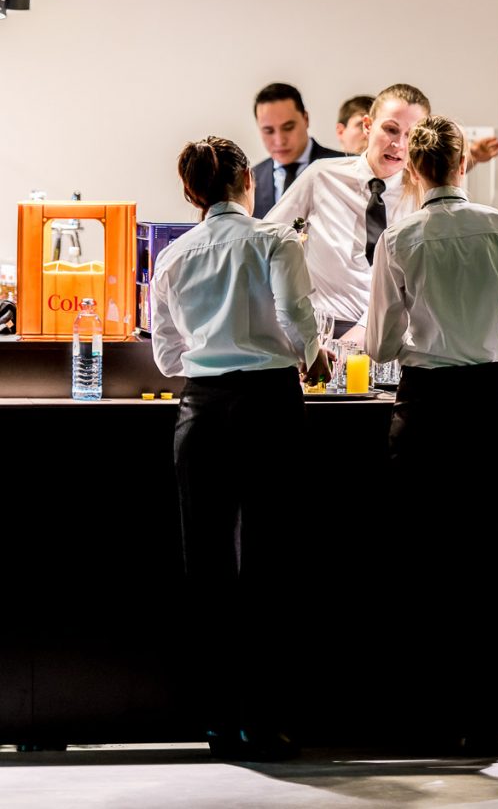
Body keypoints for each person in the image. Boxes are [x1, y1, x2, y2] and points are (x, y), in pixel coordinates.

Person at [366, 115, 498, 754]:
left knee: (423, 562)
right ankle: (484, 725)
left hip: (426, 408)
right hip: (494, 405)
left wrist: (421, 341)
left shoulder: (401, 237)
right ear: (462, 166)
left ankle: (429, 718)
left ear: (415, 170)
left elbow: (380, 343)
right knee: (494, 565)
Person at [149, 135, 329, 761]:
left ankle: (218, 723)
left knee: (208, 567)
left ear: (192, 193)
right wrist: (313, 359)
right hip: (269, 408)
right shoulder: (274, 240)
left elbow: (167, 354)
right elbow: (298, 315)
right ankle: (266, 723)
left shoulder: (172, 257)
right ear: (246, 184)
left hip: (200, 412)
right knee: (272, 564)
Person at [267, 83, 498, 340]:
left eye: (411, 136)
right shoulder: (321, 176)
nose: (399, 144)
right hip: (318, 330)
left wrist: (365, 329)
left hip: (389, 335)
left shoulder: (423, 194)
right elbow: (266, 241)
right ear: (368, 126)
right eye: (391, 130)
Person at [251, 83, 345, 218]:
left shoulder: (344, 166)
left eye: (288, 127)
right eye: (268, 131)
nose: (279, 140)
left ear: (306, 119)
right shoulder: (249, 182)